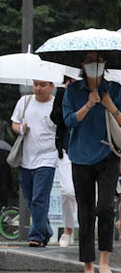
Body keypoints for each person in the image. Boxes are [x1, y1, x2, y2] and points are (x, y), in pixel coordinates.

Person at [63, 51, 121, 273]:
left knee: (104, 207)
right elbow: (69, 121)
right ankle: (88, 266)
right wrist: (88, 105)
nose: (95, 65)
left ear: (105, 64)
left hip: (108, 155)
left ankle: (104, 260)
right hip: (80, 156)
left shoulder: (115, 89)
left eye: (100, 60)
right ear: (82, 64)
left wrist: (110, 105)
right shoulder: (72, 91)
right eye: (90, 60)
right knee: (85, 211)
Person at [11, 79, 58, 248]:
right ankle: (46, 230)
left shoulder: (56, 105)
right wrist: (20, 128)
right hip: (26, 158)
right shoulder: (25, 101)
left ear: (52, 86)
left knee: (39, 197)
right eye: (36, 84)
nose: (38, 88)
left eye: (42, 85)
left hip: (48, 158)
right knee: (30, 199)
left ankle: (36, 235)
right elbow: (14, 123)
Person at [51, 76, 77, 248]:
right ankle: (68, 229)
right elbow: (55, 117)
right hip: (67, 147)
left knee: (91, 195)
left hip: (92, 148)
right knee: (68, 191)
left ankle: (87, 230)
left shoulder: (96, 90)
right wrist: (66, 94)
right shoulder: (63, 91)